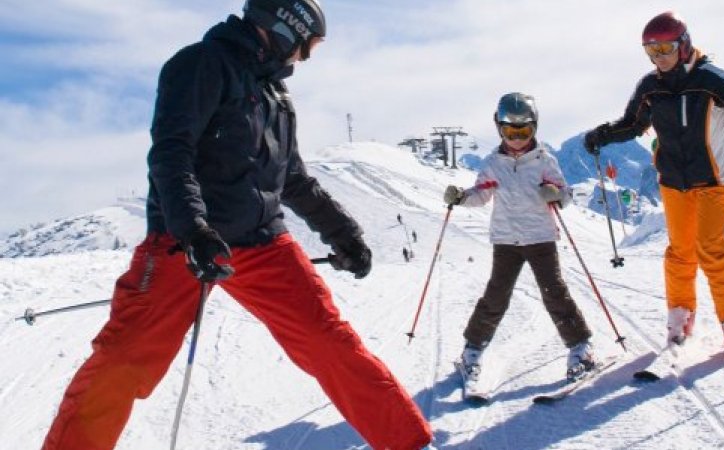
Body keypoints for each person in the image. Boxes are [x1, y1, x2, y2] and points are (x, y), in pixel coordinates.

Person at [41, 1, 433, 449]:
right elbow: (172, 153)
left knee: (329, 343)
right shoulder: (200, 65)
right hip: (185, 241)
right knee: (124, 359)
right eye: (308, 47)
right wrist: (195, 231)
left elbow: (293, 178)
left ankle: (410, 443)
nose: (304, 59)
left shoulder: (276, 96)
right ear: (287, 30)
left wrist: (343, 232)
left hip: (263, 242)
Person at [583, 11, 724, 360]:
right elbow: (633, 124)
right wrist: (604, 134)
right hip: (673, 182)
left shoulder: (713, 78)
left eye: (664, 48)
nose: (659, 57)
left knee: (711, 250)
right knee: (680, 252)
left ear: (683, 44)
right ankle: (680, 318)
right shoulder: (651, 87)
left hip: (713, 178)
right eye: (651, 51)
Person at [444, 92, 595, 382]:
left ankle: (580, 347)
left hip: (540, 238)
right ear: (499, 128)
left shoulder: (544, 161)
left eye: (523, 131)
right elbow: (481, 194)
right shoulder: (493, 163)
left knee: (554, 292)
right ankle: (471, 351)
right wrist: (461, 197)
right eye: (509, 131)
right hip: (506, 241)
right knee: (495, 296)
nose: (516, 138)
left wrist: (556, 195)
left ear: (534, 127)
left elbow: (565, 194)